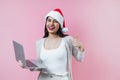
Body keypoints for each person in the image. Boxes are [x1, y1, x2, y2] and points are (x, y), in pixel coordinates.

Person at [19, 8, 85, 80]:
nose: (51, 24)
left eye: (55, 21)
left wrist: (81, 47)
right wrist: (26, 64)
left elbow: (80, 59)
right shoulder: (39, 43)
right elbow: (39, 64)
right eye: (49, 20)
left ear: (59, 24)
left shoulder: (67, 40)